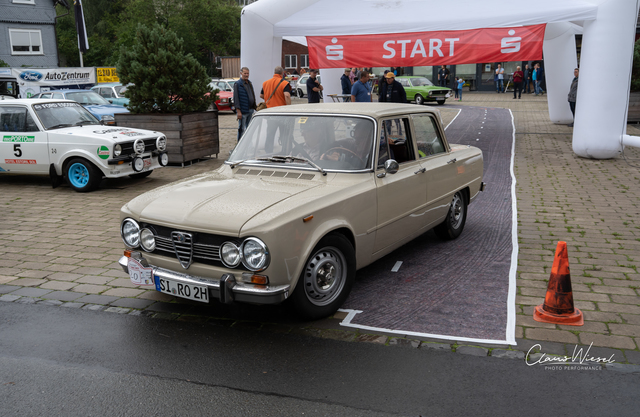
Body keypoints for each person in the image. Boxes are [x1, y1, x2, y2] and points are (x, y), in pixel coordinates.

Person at [260, 66, 292, 153]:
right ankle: (284, 151)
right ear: (282, 73)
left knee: (270, 134)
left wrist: (270, 100)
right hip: (282, 113)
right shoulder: (284, 83)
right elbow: (287, 95)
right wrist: (289, 108)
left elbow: (261, 95)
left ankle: (268, 151)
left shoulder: (266, 83)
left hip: (270, 113)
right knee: (284, 134)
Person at [233, 67, 257, 142]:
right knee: (242, 129)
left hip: (250, 110)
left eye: (247, 73)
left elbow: (252, 95)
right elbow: (236, 98)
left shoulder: (249, 83)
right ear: (241, 73)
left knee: (249, 129)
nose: (246, 75)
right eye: (245, 73)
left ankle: (247, 144)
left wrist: (255, 106)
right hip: (242, 111)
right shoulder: (238, 84)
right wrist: (238, 111)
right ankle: (239, 145)